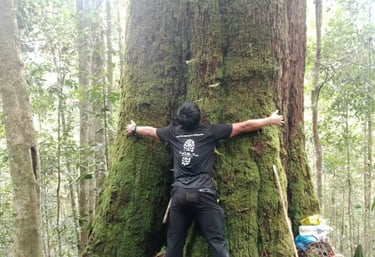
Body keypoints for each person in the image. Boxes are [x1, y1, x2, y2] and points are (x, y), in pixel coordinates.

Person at [126, 101, 284, 257]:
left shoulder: (173, 133)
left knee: (174, 242)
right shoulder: (210, 131)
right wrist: (270, 120)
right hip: (203, 193)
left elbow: (152, 131)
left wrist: (134, 128)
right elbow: (243, 126)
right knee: (216, 240)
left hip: (179, 194)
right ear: (199, 117)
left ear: (180, 118)